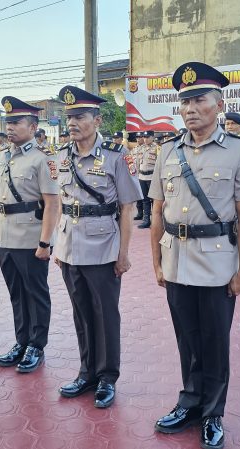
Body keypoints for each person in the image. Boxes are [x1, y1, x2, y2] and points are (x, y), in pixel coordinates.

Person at [149, 61, 240, 449]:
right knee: (187, 339)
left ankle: (213, 412)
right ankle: (190, 402)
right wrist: (156, 262)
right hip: (176, 259)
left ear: (219, 105)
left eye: (199, 100)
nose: (190, 109)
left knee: (214, 342)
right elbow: (157, 212)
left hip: (216, 263)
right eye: (185, 102)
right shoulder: (168, 151)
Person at [53, 85, 143, 409]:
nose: (72, 123)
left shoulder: (117, 156)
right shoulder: (62, 155)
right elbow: (62, 203)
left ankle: (107, 377)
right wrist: (58, 245)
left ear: (97, 120)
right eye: (69, 117)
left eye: (80, 116)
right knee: (81, 313)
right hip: (70, 247)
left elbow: (127, 208)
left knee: (105, 315)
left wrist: (124, 254)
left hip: (103, 246)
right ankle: (86, 372)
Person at [0, 96, 60, 372]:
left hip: (31, 237)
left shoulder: (43, 159)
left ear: (32, 127)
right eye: (8, 122)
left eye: (16, 122)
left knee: (35, 293)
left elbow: (52, 203)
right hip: (6, 235)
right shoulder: (2, 156)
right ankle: (21, 341)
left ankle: (36, 345)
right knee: (16, 293)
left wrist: (45, 242)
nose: (10, 127)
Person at [137, 130, 159, 229]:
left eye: (147, 137)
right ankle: (146, 220)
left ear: (152, 137)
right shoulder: (141, 148)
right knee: (145, 200)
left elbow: (159, 164)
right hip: (142, 177)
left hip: (152, 177)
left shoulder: (157, 148)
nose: (145, 139)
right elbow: (138, 163)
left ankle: (155, 220)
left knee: (154, 199)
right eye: (144, 137)